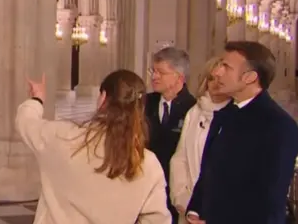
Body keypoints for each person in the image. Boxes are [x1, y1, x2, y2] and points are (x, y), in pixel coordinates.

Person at [17, 70, 171, 224]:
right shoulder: (147, 163)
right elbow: (157, 220)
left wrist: (36, 99)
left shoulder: (63, 137)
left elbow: (26, 123)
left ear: (103, 98)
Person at [186, 41, 298, 224]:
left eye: (226, 67)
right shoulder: (225, 115)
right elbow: (209, 172)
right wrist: (194, 210)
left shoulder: (279, 126)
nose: (217, 72)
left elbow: (269, 202)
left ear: (250, 77)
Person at [169, 57, 230, 223]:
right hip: (188, 204)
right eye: (211, 78)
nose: (215, 83)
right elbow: (180, 158)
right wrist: (181, 198)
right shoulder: (195, 112)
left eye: (221, 78)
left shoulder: (236, 116)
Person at [145, 47, 197, 223]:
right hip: (146, 187)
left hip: (175, 194)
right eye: (153, 70)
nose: (154, 76)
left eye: (161, 72)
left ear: (179, 77)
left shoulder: (194, 110)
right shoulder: (144, 104)